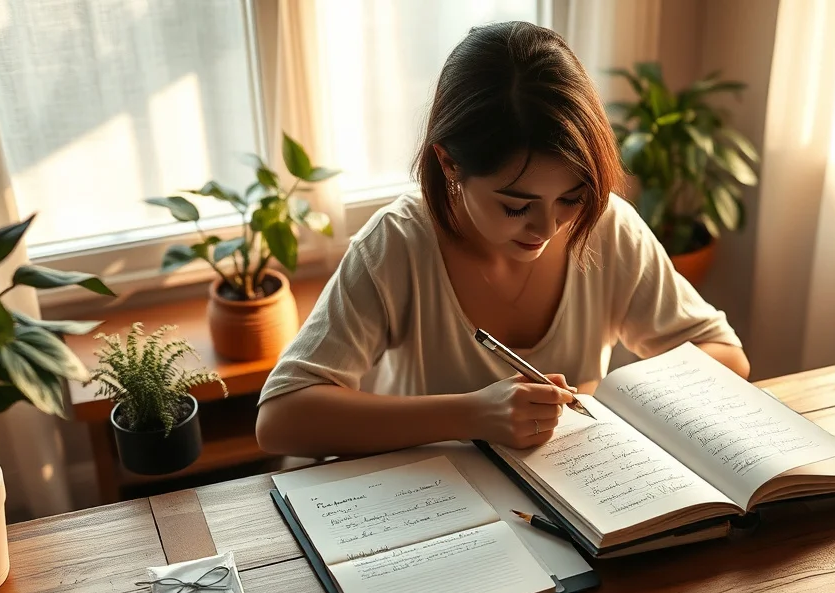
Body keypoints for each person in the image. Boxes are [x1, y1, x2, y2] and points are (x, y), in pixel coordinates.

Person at [255, 21, 748, 459]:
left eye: (571, 198)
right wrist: (471, 415)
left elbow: (725, 355)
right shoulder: (398, 244)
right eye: (516, 206)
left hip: (577, 495)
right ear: (449, 162)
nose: (547, 228)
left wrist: (615, 401)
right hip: (430, 510)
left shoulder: (606, 226)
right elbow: (281, 419)